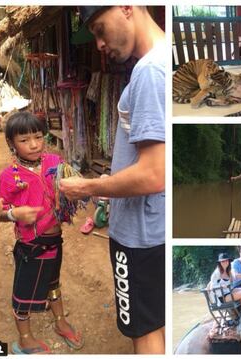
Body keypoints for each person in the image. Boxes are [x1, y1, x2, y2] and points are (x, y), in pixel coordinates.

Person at [59, 6, 165, 354]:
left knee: (145, 331)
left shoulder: (149, 72)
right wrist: (114, 178)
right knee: (158, 318)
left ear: (126, 7)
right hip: (158, 228)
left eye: (101, 29)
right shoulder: (163, 60)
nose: (100, 43)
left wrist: (88, 186)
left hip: (139, 234)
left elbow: (153, 174)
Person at [0, 112, 84, 354]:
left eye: (38, 136)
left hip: (55, 240)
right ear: (11, 143)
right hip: (31, 245)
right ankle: (24, 338)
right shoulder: (9, 176)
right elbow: (0, 210)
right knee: (23, 294)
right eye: (24, 140)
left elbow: (74, 186)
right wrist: (15, 214)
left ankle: (60, 322)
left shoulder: (54, 162)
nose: (34, 144)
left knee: (53, 283)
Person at [210, 253, 241, 320]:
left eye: (226, 261)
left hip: (229, 291)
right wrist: (220, 285)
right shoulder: (217, 273)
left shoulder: (229, 270)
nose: (225, 262)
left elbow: (235, 278)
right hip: (222, 296)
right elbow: (211, 287)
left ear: (229, 261)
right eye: (223, 261)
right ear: (220, 263)